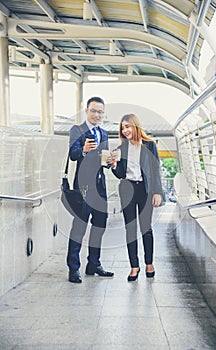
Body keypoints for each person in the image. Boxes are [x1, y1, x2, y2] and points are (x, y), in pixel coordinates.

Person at [67, 96, 114, 283]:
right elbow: (73, 155)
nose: (97, 115)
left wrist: (109, 162)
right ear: (86, 111)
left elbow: (103, 160)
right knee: (79, 228)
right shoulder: (77, 130)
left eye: (100, 112)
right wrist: (84, 150)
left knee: (99, 226)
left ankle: (93, 263)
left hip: (100, 188)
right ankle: (73, 268)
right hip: (83, 188)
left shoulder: (103, 133)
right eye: (94, 111)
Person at [111, 113, 163, 282]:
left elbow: (155, 171)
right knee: (130, 229)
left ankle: (149, 263)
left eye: (128, 126)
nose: (125, 130)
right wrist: (114, 165)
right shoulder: (120, 149)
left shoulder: (149, 145)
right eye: (123, 128)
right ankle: (134, 266)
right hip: (127, 188)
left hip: (145, 190)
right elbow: (120, 174)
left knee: (146, 228)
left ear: (135, 125)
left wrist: (157, 192)